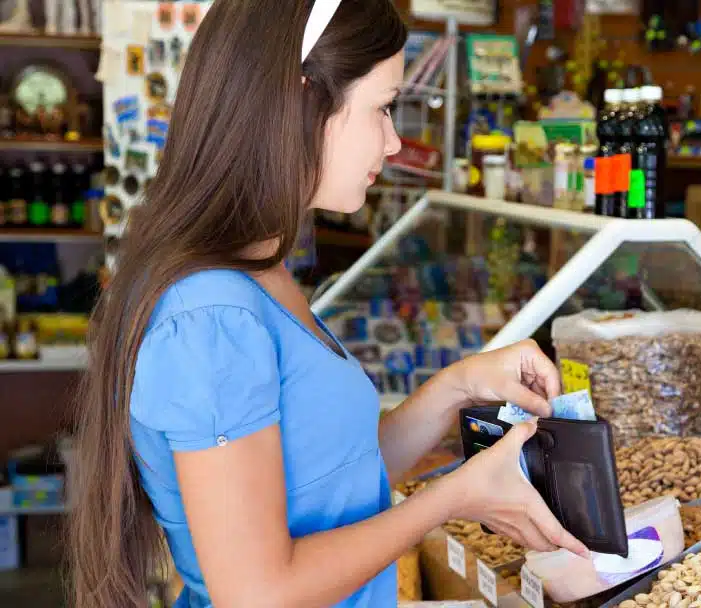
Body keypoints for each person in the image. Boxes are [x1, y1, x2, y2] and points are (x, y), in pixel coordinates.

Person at [68, 1, 588, 607]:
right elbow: (258, 593)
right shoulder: (211, 316)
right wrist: (452, 497)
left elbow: (331, 484)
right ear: (300, 101)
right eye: (383, 107)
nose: (394, 142)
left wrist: (456, 387)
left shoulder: (259, 273)